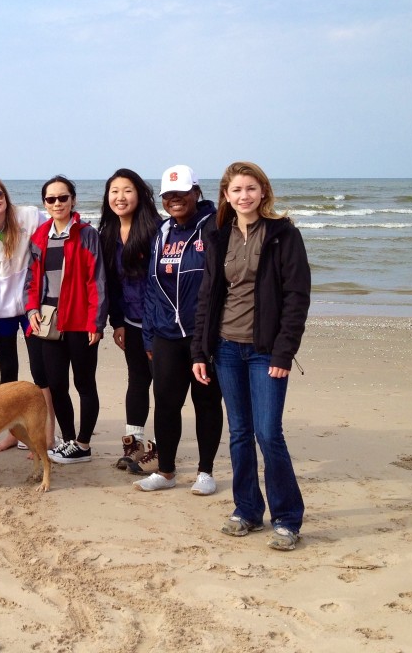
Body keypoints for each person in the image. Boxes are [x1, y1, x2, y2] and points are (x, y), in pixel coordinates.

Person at [192, 161, 311, 551]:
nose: (244, 196)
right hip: (226, 348)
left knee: (268, 433)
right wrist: (200, 349)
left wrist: (283, 351)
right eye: (236, 190)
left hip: (265, 353)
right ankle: (246, 510)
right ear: (226, 196)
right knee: (240, 433)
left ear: (263, 192)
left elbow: (296, 297)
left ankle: (287, 518)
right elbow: (208, 295)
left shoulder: (283, 234)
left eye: (250, 188)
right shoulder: (219, 235)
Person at [135, 165, 223, 495]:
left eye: (182, 193)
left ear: (196, 193)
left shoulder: (214, 227)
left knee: (207, 402)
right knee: (166, 403)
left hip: (203, 335)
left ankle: (205, 472)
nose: (175, 200)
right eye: (169, 195)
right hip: (165, 335)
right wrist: (148, 333)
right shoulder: (161, 233)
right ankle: (167, 471)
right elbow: (151, 287)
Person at [0, 177, 55, 452]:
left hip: (32, 308)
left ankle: (49, 435)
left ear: (5, 196)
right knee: (8, 375)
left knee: (41, 372)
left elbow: (54, 235)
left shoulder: (28, 216)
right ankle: (14, 434)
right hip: (2, 314)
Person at [25, 175, 107, 464]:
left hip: (80, 321)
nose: (57, 203)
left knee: (84, 384)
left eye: (63, 198)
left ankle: (83, 444)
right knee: (57, 384)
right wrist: (31, 310)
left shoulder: (87, 234)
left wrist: (97, 323)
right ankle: (69, 440)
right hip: (48, 322)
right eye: (51, 199)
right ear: (44, 203)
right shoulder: (40, 235)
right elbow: (32, 280)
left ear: (73, 200)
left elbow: (97, 282)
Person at [98, 168, 161, 474]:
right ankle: (135, 444)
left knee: (162, 386)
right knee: (136, 382)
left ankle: (163, 449)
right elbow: (111, 284)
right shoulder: (107, 234)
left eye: (127, 190)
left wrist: (150, 328)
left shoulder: (155, 231)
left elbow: (158, 285)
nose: (120, 197)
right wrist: (117, 322)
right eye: (114, 191)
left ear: (140, 194)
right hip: (131, 323)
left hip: (159, 326)